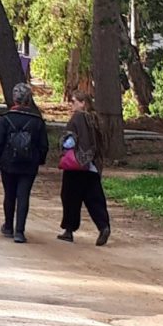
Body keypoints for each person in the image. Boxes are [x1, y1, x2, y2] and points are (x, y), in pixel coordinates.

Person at [0, 83, 49, 243]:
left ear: (14, 99)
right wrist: (39, 160)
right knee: (23, 195)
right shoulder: (37, 121)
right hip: (29, 164)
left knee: (9, 194)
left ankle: (8, 226)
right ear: (29, 100)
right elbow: (43, 145)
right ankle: (20, 231)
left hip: (8, 162)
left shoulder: (6, 119)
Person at [57, 90, 112, 246]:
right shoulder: (96, 120)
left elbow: (69, 140)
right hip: (93, 166)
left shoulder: (77, 118)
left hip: (76, 166)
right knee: (95, 199)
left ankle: (69, 230)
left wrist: (63, 146)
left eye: (74, 101)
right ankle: (103, 226)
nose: (72, 105)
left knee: (70, 198)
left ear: (83, 103)